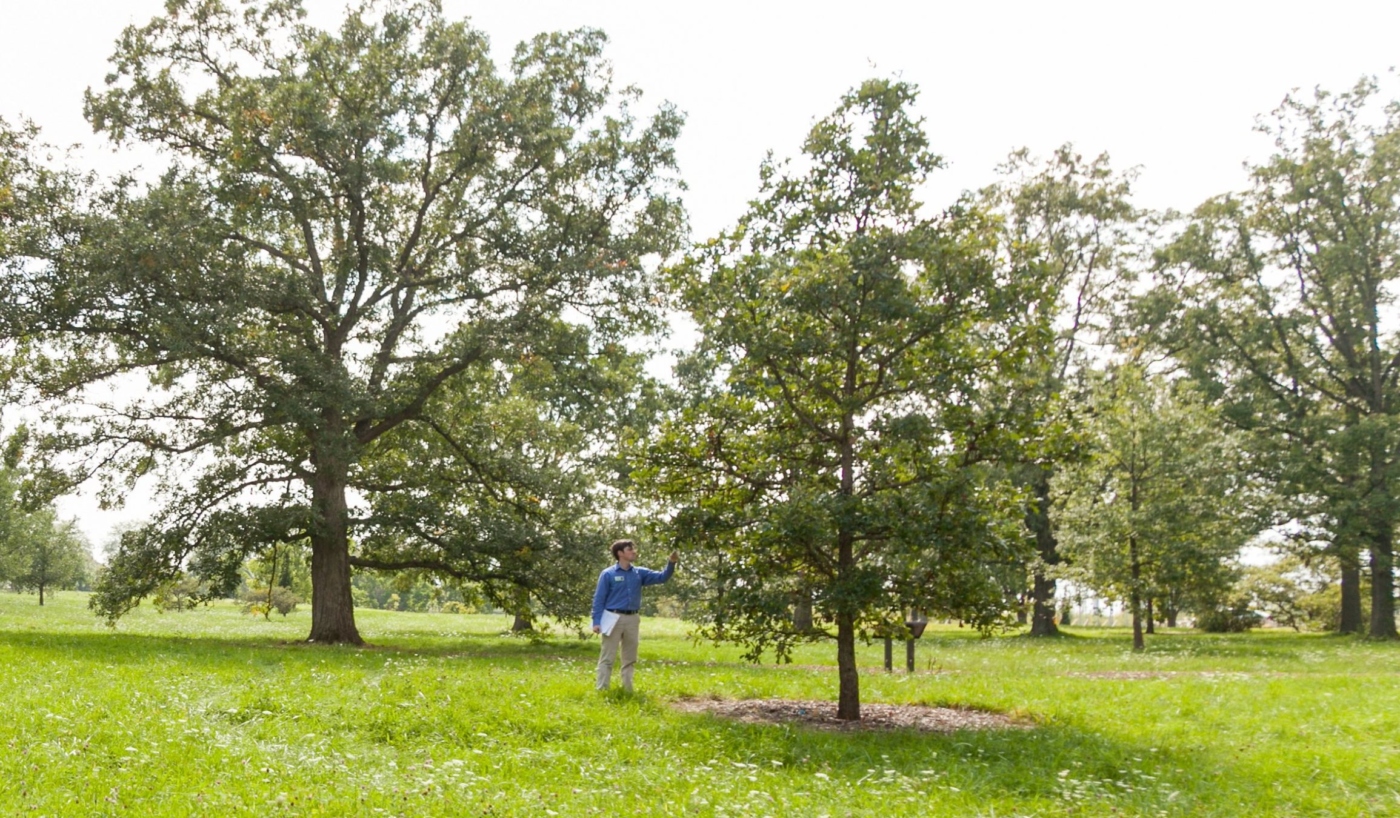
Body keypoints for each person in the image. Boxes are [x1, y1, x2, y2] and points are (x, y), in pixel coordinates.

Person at [591, 539, 678, 691]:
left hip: (633, 618)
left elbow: (662, 577)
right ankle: (602, 688)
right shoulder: (608, 574)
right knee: (607, 656)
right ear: (620, 553)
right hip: (613, 618)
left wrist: (671, 563)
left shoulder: (639, 573)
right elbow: (599, 599)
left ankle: (627, 689)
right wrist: (596, 621)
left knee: (630, 657)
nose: (634, 552)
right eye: (629, 549)